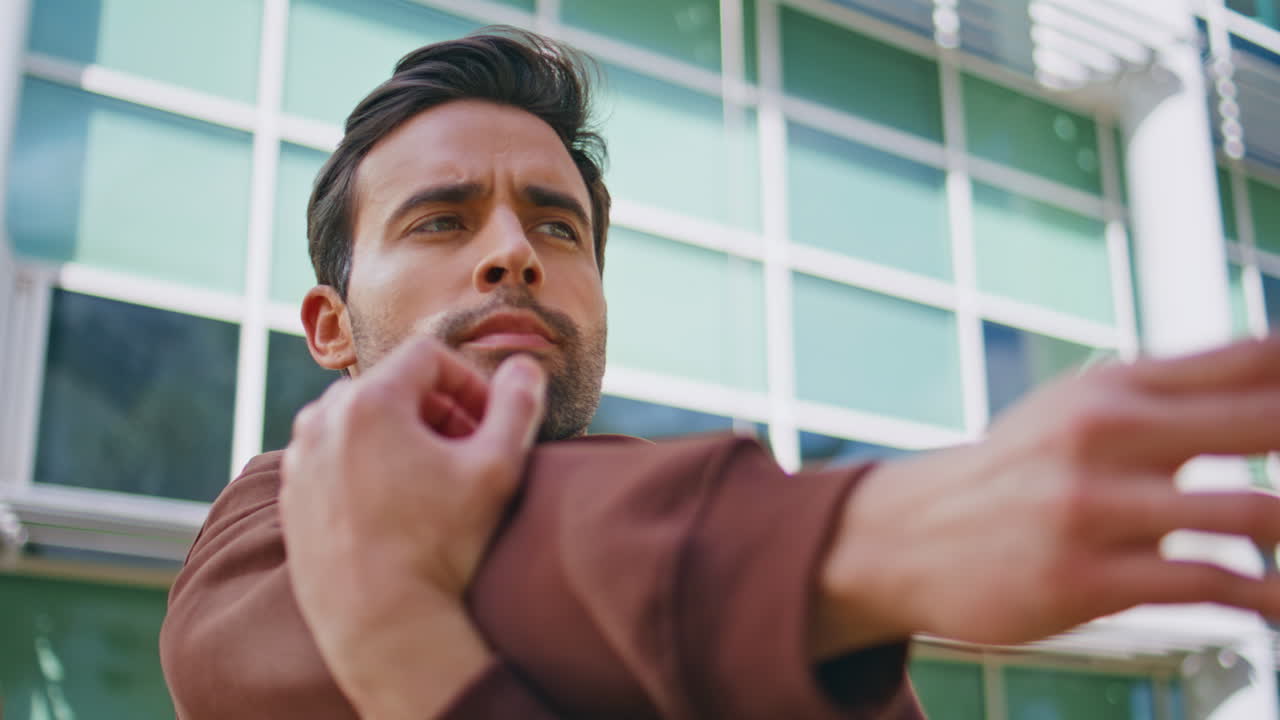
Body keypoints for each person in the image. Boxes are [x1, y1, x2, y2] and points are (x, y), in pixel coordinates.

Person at [159, 27, 1280, 720]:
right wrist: (869, 531)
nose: (511, 252)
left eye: (557, 228)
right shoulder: (272, 528)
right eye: (441, 220)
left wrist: (410, 645)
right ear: (330, 327)